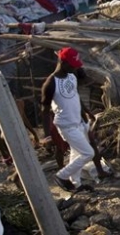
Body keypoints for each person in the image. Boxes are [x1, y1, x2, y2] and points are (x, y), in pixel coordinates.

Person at [41, 47, 95, 192]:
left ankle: (76, 184)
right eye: (72, 65)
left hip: (78, 121)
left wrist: (86, 114)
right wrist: (46, 135)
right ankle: (61, 175)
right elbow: (45, 110)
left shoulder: (71, 76)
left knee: (76, 153)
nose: (75, 68)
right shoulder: (50, 83)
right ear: (63, 62)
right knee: (88, 153)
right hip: (66, 125)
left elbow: (75, 97)